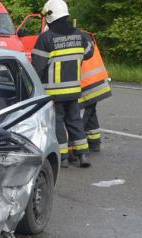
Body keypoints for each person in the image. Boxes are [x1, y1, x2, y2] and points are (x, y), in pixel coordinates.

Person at [31, 0, 93, 168]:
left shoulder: (46, 38)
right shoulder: (80, 35)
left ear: (50, 16)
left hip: (54, 93)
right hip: (74, 90)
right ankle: (84, 155)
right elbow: (89, 52)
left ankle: (63, 157)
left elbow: (38, 66)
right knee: (74, 120)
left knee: (58, 122)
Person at [78, 33, 112, 153]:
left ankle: (77, 149)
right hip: (98, 82)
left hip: (87, 85)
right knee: (90, 113)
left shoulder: (75, 38)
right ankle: (94, 142)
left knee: (78, 119)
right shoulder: (83, 36)